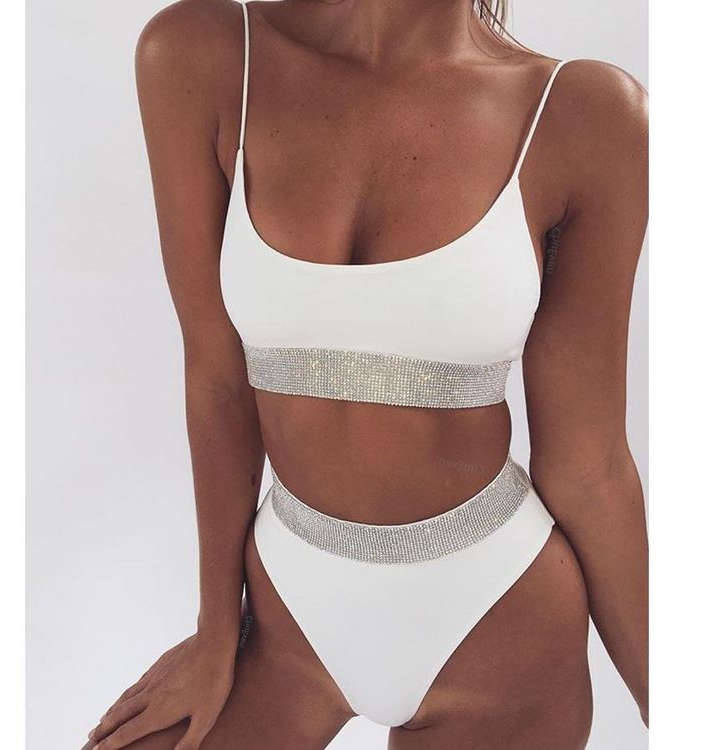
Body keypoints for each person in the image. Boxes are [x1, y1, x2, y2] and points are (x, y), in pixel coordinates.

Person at [85, 1, 648, 748]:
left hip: (500, 620)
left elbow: (590, 466)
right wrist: (216, 631)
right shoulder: (207, 54)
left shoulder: (584, 113)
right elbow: (216, 375)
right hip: (286, 620)